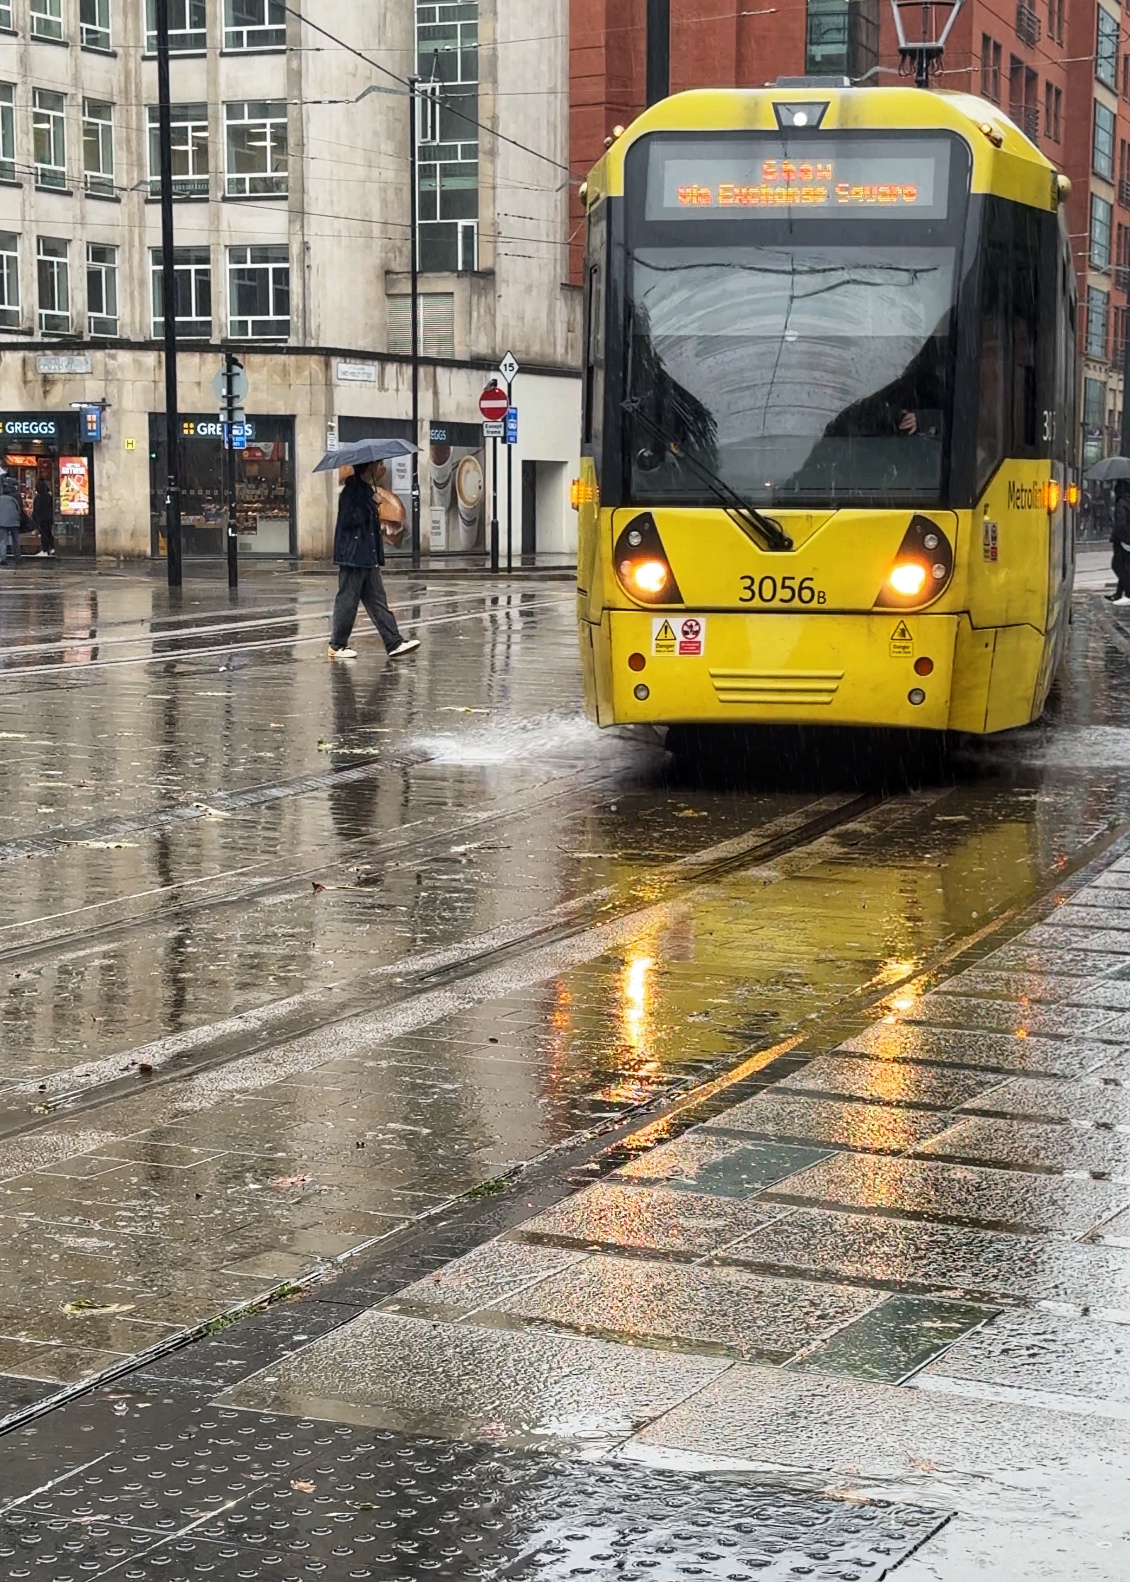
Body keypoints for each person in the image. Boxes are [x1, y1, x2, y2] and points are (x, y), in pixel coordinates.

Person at [328, 461, 420, 660]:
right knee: (348, 601)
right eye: (377, 465)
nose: (380, 469)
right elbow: (349, 521)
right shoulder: (351, 492)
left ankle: (393, 642)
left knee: (378, 602)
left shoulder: (366, 491)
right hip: (353, 556)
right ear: (367, 469)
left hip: (367, 555)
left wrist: (373, 503)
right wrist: (372, 505)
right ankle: (337, 645)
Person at [1109, 479, 1130, 605]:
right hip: (1126, 539)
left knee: (1118, 566)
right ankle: (1119, 592)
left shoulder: (1121, 503)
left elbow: (1120, 524)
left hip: (1122, 540)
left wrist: (1124, 540)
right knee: (1124, 566)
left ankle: (1127, 592)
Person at [0, 468, 25, 566]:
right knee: (16, 539)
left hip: (2, 521)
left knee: (3, 540)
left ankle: (3, 558)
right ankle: (18, 557)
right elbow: (19, 509)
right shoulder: (16, 497)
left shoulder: (1, 497)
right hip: (14, 521)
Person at [32, 478, 55, 557]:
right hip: (49, 518)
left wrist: (35, 519)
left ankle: (45, 549)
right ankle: (51, 548)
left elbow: (36, 510)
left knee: (44, 534)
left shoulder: (38, 498)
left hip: (41, 519)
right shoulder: (49, 497)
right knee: (49, 533)